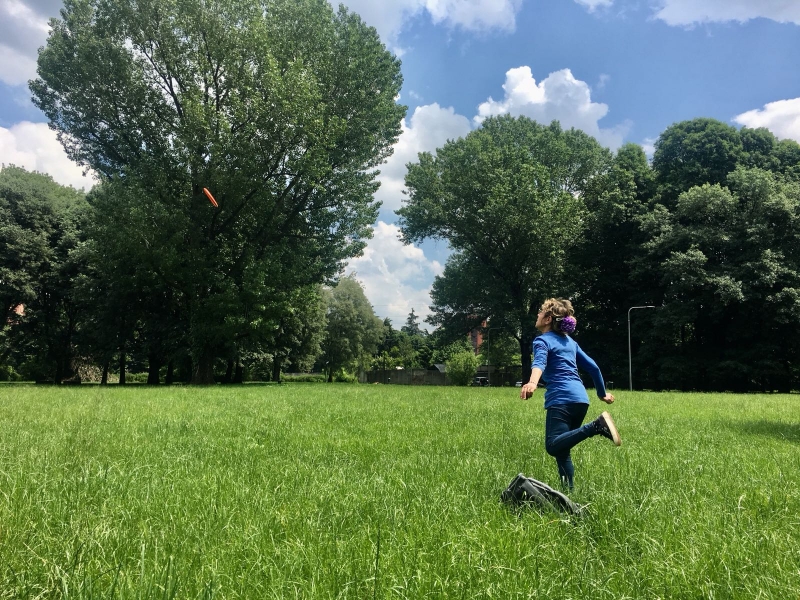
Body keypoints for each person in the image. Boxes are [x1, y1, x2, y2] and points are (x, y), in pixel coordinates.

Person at [519, 298, 620, 491]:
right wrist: (602, 394)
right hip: (581, 399)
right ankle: (569, 494)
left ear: (548, 319)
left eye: (541, 312)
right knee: (562, 450)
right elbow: (593, 367)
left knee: (552, 446)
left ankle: (596, 426)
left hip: (561, 399)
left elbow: (539, 362)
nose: (538, 315)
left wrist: (532, 382)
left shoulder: (542, 340)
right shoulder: (570, 343)